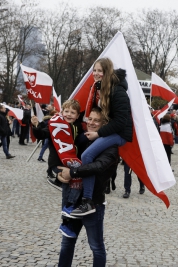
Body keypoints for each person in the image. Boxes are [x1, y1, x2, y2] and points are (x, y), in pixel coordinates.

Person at [70, 57, 133, 216]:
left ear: (107, 72)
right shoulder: (101, 88)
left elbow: (120, 122)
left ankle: (88, 200)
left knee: (87, 154)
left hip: (119, 134)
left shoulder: (118, 91)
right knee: (83, 142)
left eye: (100, 71)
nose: (96, 74)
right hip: (110, 130)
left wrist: (98, 133)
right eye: (95, 70)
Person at [57, 107, 119, 267]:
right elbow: (62, 159)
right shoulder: (80, 138)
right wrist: (57, 174)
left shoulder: (111, 147)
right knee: (67, 243)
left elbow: (98, 166)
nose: (91, 122)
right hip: (73, 199)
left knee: (96, 247)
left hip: (93, 204)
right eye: (89, 118)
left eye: (96, 120)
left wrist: (73, 172)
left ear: (105, 123)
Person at [31, 99, 83, 190]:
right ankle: (59, 183)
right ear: (62, 112)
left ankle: (69, 199)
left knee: (72, 184)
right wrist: (36, 126)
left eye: (72, 112)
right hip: (57, 161)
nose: (69, 114)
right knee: (67, 179)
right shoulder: (55, 125)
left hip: (74, 160)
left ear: (78, 115)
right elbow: (42, 135)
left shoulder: (80, 126)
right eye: (66, 111)